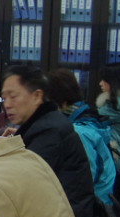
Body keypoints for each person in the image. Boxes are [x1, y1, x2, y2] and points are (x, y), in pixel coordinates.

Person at [1, 64, 94, 217]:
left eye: (13, 96)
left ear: (37, 96)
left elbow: (21, 184)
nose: (7, 104)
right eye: (4, 98)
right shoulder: (46, 122)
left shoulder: (50, 131)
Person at [47, 68, 116, 204]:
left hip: (94, 205)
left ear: (60, 101)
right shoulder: (82, 116)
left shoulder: (80, 132)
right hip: (91, 199)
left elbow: (82, 182)